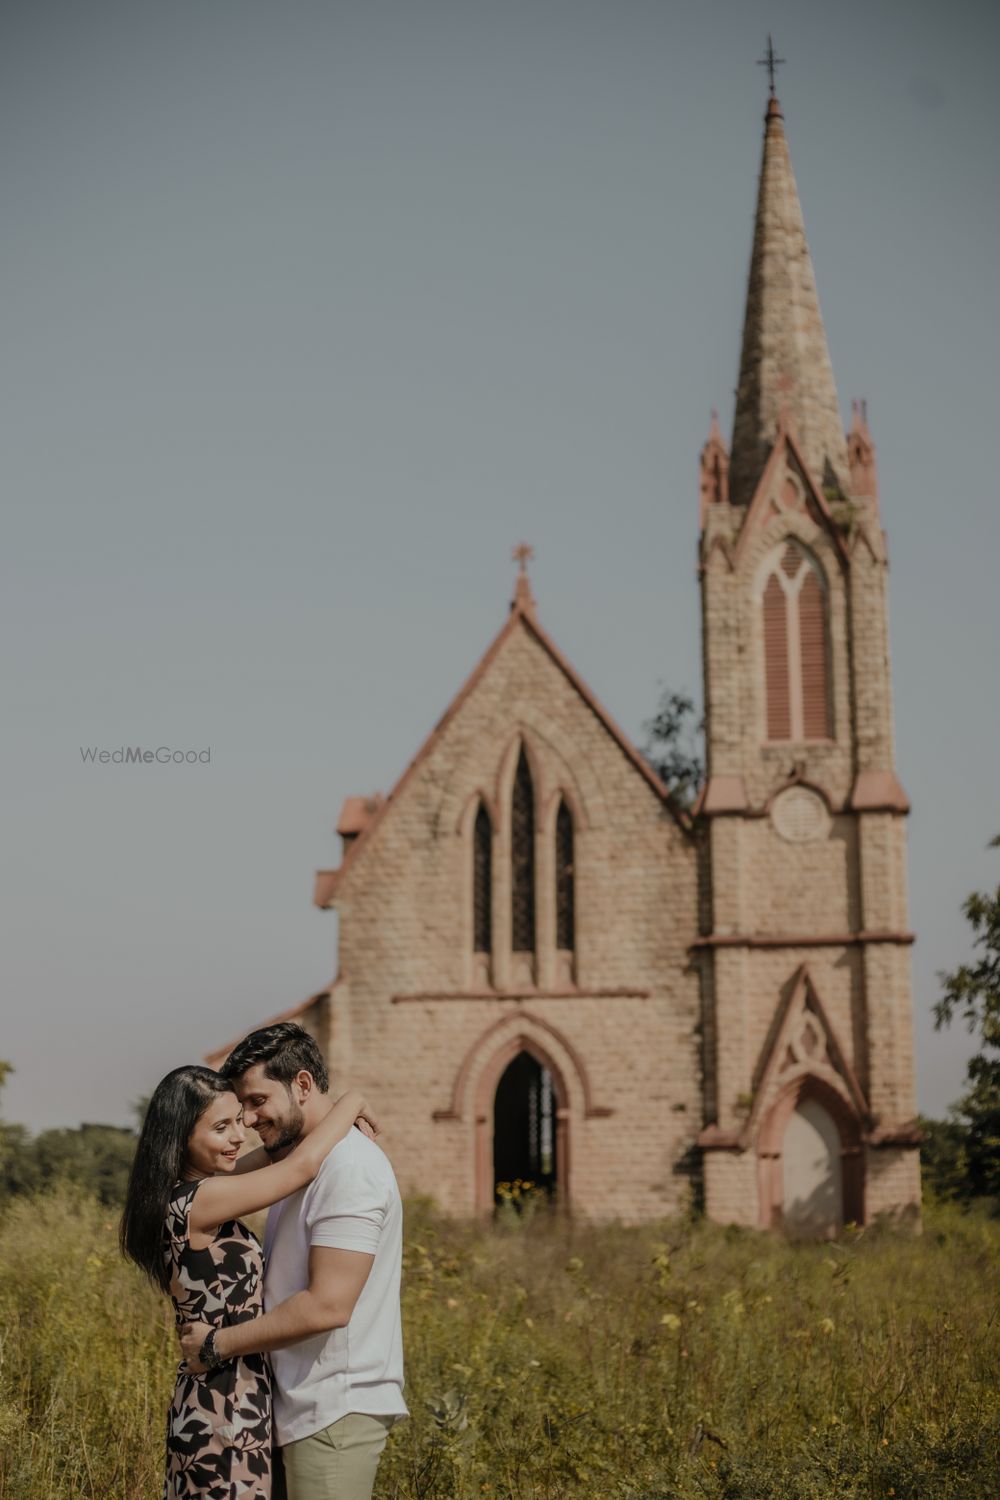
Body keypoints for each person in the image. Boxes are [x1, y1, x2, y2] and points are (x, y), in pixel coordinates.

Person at [121, 1062, 375, 1499]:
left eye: (240, 1119)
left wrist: (317, 1120)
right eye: (221, 1127)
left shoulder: (197, 1189)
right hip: (224, 1402)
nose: (240, 1135)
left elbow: (280, 1155)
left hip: (228, 1390)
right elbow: (298, 1169)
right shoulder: (199, 1200)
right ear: (180, 1138)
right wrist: (350, 1101)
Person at [179, 1023, 408, 1500]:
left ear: (302, 1085)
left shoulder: (348, 1168)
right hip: (296, 1407)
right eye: (238, 1108)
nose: (247, 1119)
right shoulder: (297, 1162)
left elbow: (328, 1306)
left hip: (333, 1408)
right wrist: (347, 1105)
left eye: (257, 1101)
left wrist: (217, 1344)